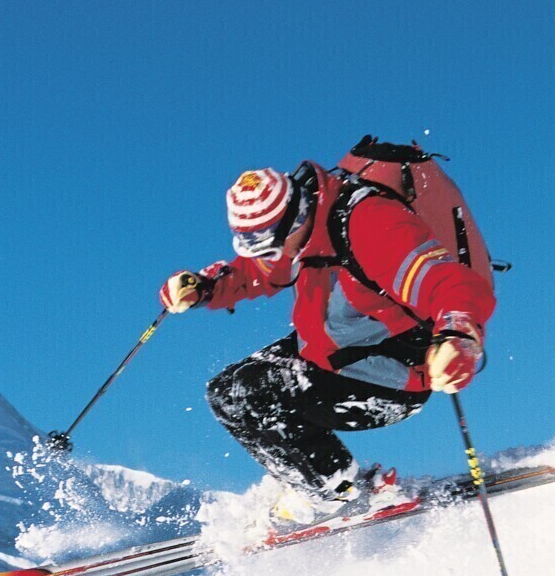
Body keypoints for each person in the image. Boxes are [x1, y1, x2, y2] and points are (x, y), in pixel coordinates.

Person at [160, 161, 494, 523]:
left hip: (393, 368)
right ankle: (330, 485)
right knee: (226, 392)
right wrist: (207, 286)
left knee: (250, 395)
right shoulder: (299, 229)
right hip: (335, 353)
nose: (265, 254)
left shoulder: (372, 223)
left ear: (296, 216)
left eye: (266, 243)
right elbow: (258, 269)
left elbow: (445, 281)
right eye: (250, 244)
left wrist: (457, 335)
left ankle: (332, 492)